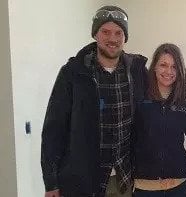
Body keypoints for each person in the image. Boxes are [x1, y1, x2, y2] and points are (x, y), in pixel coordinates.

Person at [41, 5, 148, 197]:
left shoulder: (137, 71)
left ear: (125, 37)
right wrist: (51, 183)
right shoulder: (73, 73)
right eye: (105, 32)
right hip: (82, 180)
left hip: (122, 179)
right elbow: (53, 130)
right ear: (95, 35)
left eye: (118, 33)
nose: (112, 39)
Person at [132, 43, 186, 197]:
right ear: (154, 67)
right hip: (145, 183)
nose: (168, 71)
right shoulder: (140, 95)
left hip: (178, 181)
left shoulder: (185, 98)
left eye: (174, 67)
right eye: (163, 65)